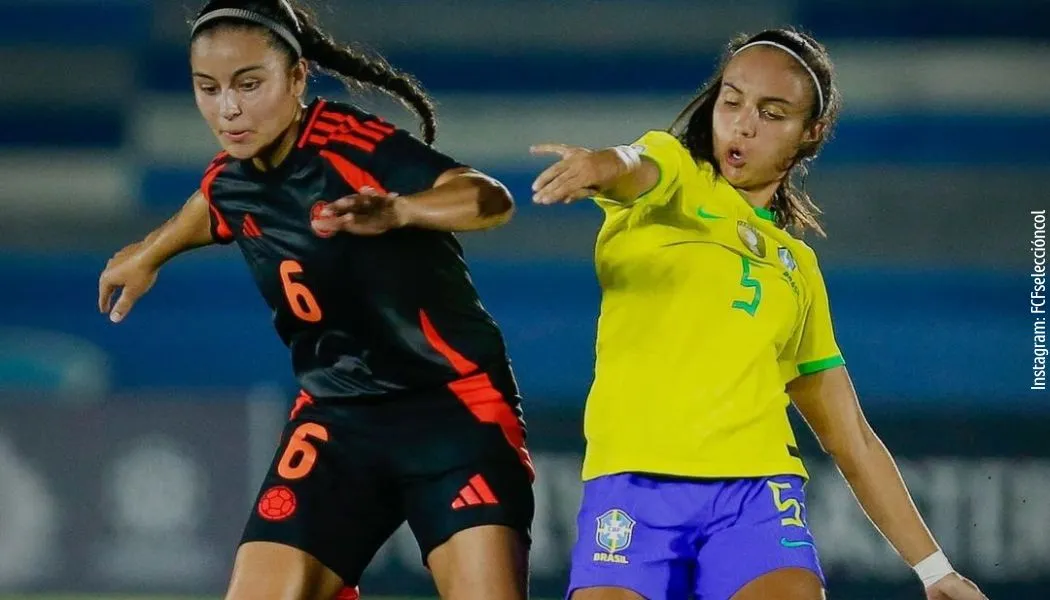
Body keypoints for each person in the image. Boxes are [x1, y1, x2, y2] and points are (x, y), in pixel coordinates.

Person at [530, 28, 988, 600]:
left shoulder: (798, 267)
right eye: (731, 101)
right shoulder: (674, 178)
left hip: (754, 497)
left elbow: (851, 437)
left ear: (809, 133)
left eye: (772, 113)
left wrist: (935, 571)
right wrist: (603, 162)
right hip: (633, 489)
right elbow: (637, 163)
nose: (743, 124)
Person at [97, 1, 534, 599]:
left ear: (297, 77)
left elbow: (488, 198)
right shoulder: (234, 176)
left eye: (250, 84)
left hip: (451, 411)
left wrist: (401, 209)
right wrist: (149, 252)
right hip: (336, 419)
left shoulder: (350, 145)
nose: (228, 108)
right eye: (209, 88)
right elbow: (213, 204)